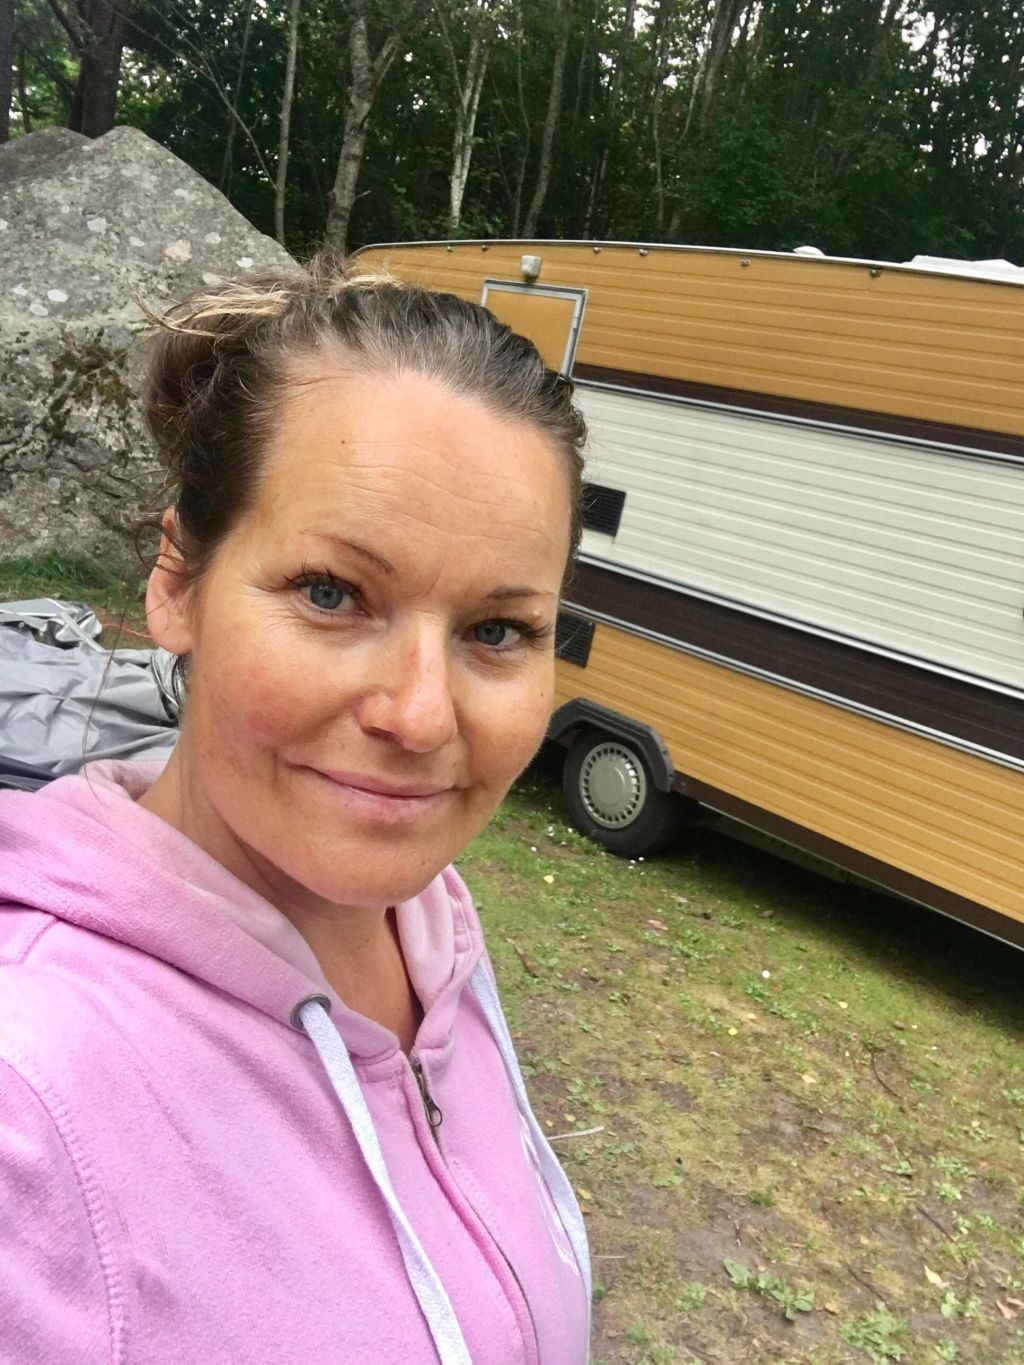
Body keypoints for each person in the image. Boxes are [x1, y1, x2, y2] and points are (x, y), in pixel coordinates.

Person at [0, 262, 592, 1364]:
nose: (421, 715)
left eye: (497, 630)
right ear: (177, 582)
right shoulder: (28, 1098)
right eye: (332, 594)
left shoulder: (433, 937)